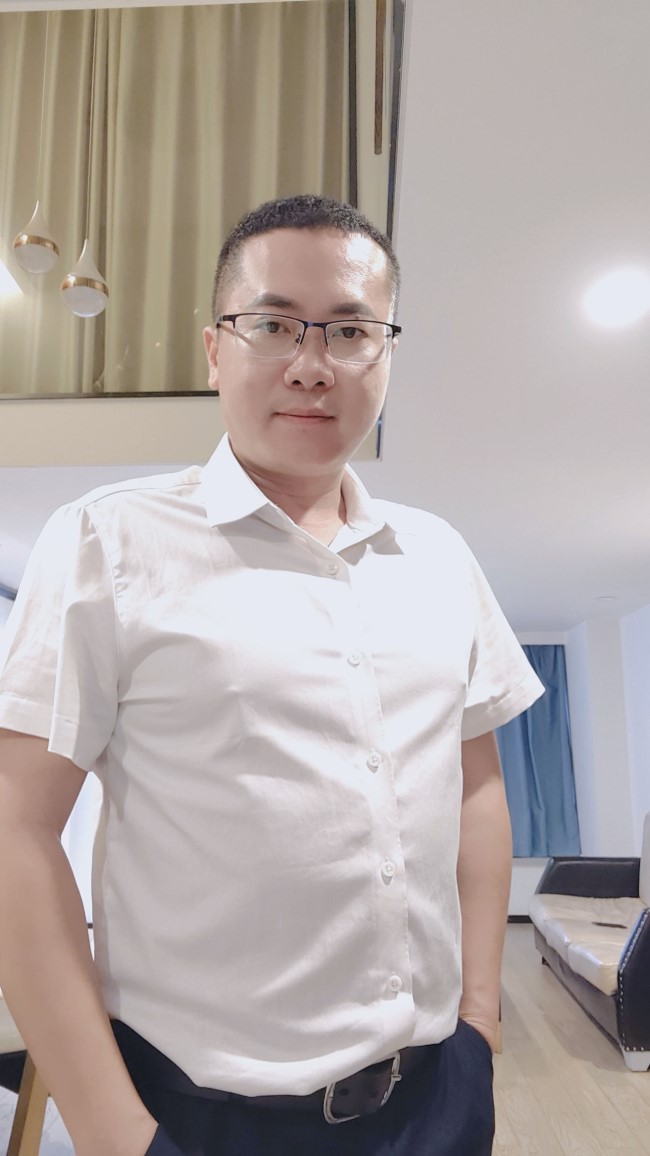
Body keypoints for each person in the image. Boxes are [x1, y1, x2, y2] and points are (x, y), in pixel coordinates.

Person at [0, 194, 543, 1156]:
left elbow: (476, 787)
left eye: (350, 331)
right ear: (216, 350)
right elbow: (15, 827)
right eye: (274, 323)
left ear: (386, 355)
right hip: (202, 1116)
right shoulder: (107, 541)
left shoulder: (441, 555)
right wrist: (114, 1133)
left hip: (437, 1097)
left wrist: (481, 1020)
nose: (311, 363)